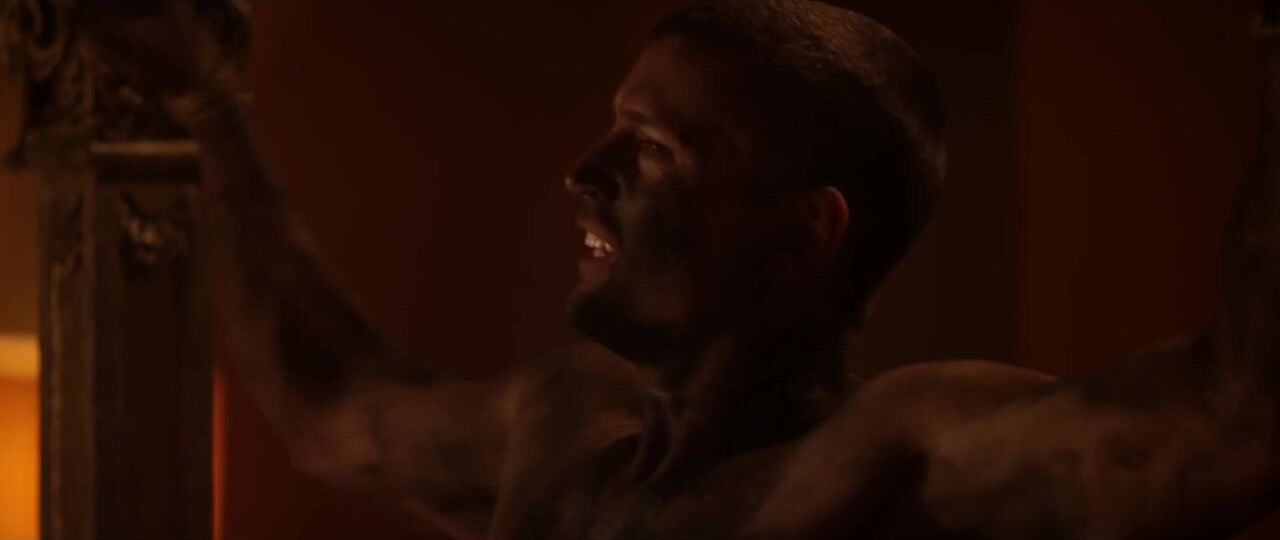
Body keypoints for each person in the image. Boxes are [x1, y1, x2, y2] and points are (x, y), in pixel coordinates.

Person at [90, 0, 1280, 538]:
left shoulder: (896, 456)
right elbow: (333, 405)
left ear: (801, 234)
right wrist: (208, 102)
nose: (584, 173)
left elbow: (1231, 425)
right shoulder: (556, 430)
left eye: (653, 148)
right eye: (614, 129)